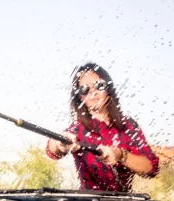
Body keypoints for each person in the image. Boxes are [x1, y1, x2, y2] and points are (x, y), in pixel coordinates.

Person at [46, 62, 159, 192]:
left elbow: (152, 169)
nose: (93, 92)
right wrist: (60, 143)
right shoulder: (78, 129)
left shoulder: (128, 126)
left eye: (99, 85)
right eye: (84, 89)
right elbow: (52, 151)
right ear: (79, 97)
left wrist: (121, 155)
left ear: (108, 89)